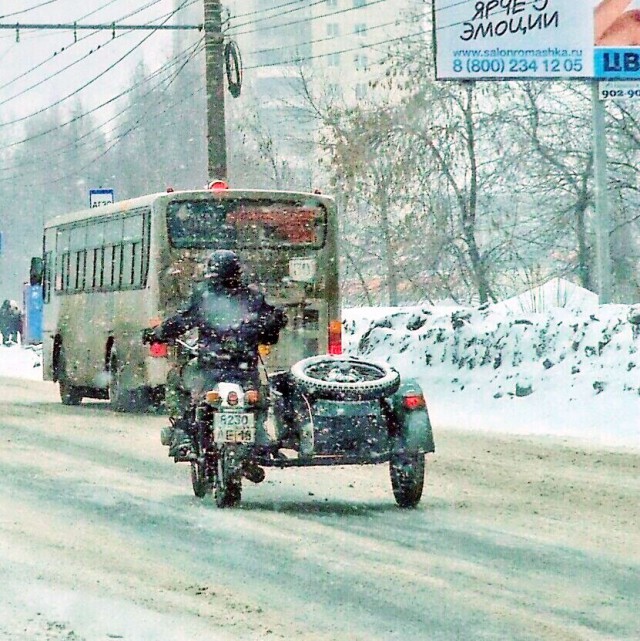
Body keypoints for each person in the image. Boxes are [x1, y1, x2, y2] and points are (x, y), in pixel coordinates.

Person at [146, 250, 287, 459]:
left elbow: (180, 322)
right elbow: (269, 330)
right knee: (259, 398)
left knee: (176, 383)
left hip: (210, 368)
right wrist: (272, 324)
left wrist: (157, 333)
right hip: (244, 369)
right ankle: (259, 435)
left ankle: (183, 433)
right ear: (238, 272)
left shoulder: (204, 295)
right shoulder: (253, 297)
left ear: (211, 272)